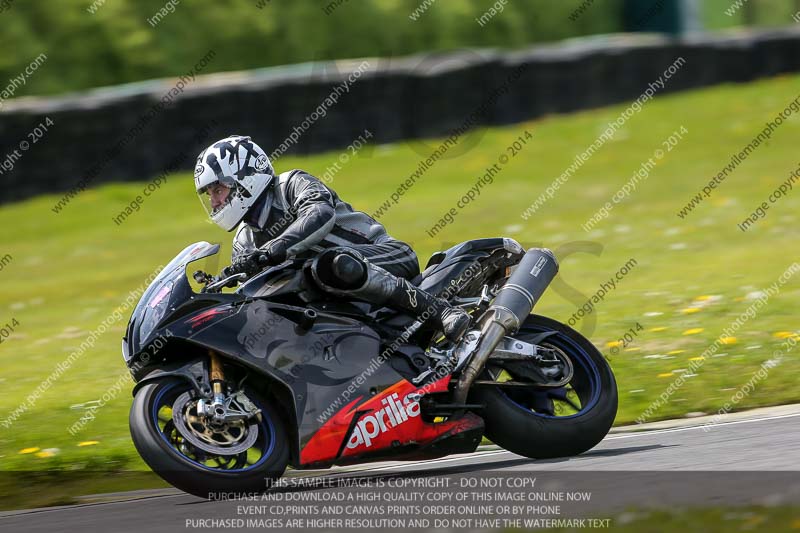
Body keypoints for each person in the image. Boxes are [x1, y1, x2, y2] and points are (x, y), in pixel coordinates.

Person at [194, 135, 470, 342]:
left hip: (385, 255)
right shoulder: (245, 240)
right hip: (334, 295)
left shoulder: (291, 184)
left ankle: (440, 311)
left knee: (329, 264)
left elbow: (319, 214)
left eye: (218, 189)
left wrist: (272, 251)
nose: (215, 202)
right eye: (210, 195)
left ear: (246, 178)